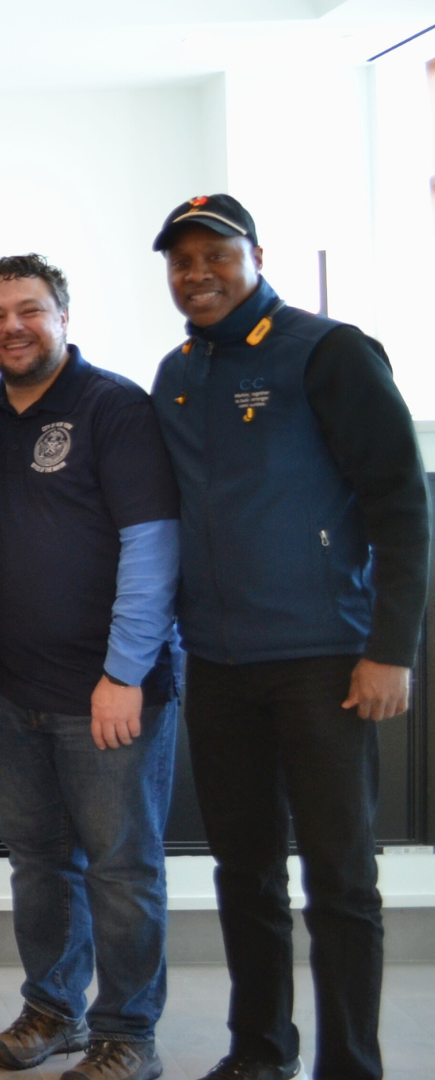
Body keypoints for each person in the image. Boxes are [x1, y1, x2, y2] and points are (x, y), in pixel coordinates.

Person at [148, 195, 430, 1080]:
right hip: (221, 667)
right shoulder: (178, 370)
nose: (197, 274)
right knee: (245, 873)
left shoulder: (328, 351)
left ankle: (352, 1063)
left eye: (215, 256)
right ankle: (259, 1050)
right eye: (181, 261)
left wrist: (392, 648)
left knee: (341, 883)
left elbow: (401, 502)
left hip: (325, 664)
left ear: (255, 255)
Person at [0, 255, 180, 1080]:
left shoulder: (113, 407)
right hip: (10, 689)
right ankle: (53, 1011)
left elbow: (152, 544)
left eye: (29, 309)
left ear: (63, 315)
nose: (12, 327)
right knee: (38, 864)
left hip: (109, 694)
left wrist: (124, 671)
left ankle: (130, 1032)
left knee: (123, 868)